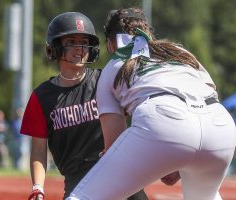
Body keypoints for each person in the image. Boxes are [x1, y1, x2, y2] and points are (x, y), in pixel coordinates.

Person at [66, 7, 236, 200]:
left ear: (111, 43)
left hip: (164, 120)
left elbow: (115, 145)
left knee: (83, 197)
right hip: (220, 126)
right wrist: (177, 156)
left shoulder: (112, 67)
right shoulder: (180, 51)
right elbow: (209, 92)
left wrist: (165, 156)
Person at [20, 12, 148, 200]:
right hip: (79, 182)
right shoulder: (42, 97)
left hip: (119, 172)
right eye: (71, 41)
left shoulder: (106, 79)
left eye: (84, 42)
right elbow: (39, 149)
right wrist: (38, 187)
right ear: (55, 47)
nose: (80, 48)